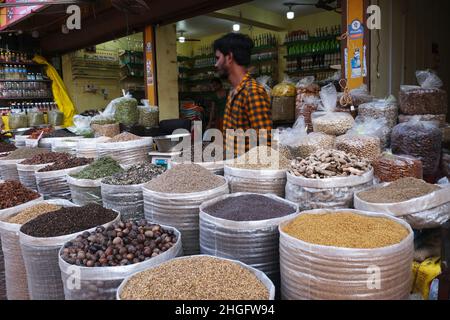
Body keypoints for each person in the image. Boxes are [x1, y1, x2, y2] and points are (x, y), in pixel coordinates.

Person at [213, 33, 272, 157]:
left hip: (247, 173)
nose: (216, 64)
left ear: (229, 57)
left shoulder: (252, 92)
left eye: (218, 58)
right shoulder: (233, 92)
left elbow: (265, 146)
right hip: (232, 169)